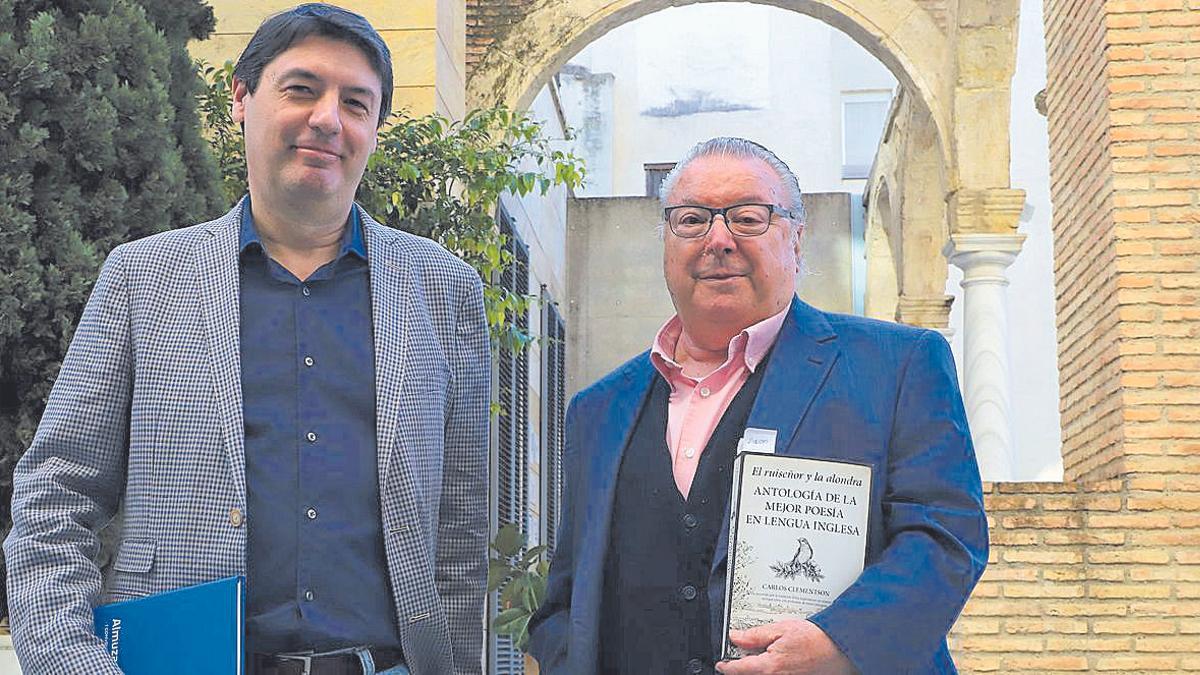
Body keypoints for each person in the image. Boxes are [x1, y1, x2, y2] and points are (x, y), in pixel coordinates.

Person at [4, 5, 489, 674]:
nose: (328, 118)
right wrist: (70, 660)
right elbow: (54, 498)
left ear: (373, 127)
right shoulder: (143, 278)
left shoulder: (445, 291)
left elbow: (459, 542)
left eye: (356, 102)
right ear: (241, 97)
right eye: (301, 89)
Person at [527, 137, 988, 675]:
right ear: (666, 243)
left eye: (748, 218)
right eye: (692, 220)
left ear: (796, 239)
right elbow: (569, 596)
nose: (717, 240)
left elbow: (945, 537)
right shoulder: (598, 409)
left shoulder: (897, 366)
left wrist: (840, 644)